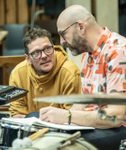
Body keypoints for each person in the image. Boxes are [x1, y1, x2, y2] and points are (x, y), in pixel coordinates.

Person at [39, 5, 126, 150]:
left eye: (63, 34)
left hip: (119, 129)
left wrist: (67, 116)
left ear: (80, 27)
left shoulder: (118, 52)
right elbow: (83, 103)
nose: (61, 42)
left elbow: (115, 117)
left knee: (61, 144)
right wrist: (56, 121)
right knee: (37, 122)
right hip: (98, 127)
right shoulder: (89, 54)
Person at [9, 27, 81, 117]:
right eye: (36, 53)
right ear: (28, 59)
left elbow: (71, 116)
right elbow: (17, 114)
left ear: (54, 48)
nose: (44, 56)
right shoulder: (18, 74)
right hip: (28, 128)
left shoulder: (69, 72)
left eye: (47, 49)